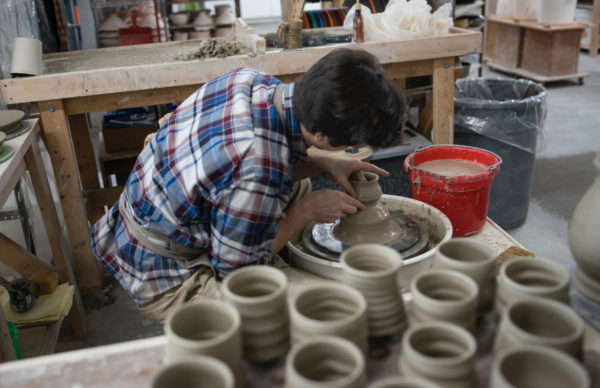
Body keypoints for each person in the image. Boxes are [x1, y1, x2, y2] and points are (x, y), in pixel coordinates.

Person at [91, 48, 406, 323]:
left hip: (157, 208)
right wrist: (306, 212)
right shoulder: (257, 168)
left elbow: (249, 162)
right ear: (322, 137)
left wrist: (325, 162)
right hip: (164, 271)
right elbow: (240, 275)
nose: (346, 152)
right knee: (326, 310)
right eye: (349, 147)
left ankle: (280, 249)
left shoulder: (253, 81)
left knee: (300, 186)